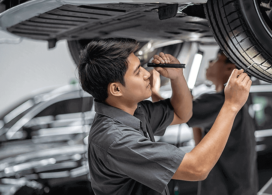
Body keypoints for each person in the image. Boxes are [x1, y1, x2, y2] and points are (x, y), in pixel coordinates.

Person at [78, 38, 252, 195]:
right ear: (116, 89)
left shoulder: (136, 112)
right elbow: (197, 168)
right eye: (138, 72)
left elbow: (182, 113)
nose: (147, 74)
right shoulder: (115, 139)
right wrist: (231, 106)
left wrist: (177, 78)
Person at [152, 49, 257, 195]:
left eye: (216, 59)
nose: (209, 62)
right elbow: (198, 134)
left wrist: (153, 90)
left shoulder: (219, 101)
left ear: (230, 68)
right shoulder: (228, 102)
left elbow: (176, 112)